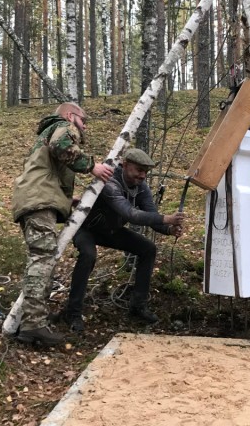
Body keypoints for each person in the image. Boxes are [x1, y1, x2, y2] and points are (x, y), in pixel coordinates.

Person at [12, 103, 113, 347]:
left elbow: (47, 172)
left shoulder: (46, 134)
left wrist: (67, 201)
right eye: (83, 120)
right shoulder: (64, 127)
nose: (84, 126)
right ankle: (33, 325)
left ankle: (34, 322)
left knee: (42, 258)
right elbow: (61, 147)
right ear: (71, 116)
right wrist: (93, 167)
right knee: (43, 258)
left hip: (34, 199)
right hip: (39, 202)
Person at [62, 148, 184, 329]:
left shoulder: (141, 188)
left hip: (111, 231)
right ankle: (72, 313)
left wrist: (168, 229)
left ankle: (137, 306)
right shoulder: (110, 183)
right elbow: (130, 213)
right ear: (125, 165)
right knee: (88, 255)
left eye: (145, 172)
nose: (142, 176)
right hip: (86, 228)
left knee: (148, 249)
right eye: (139, 170)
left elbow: (152, 216)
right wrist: (166, 218)